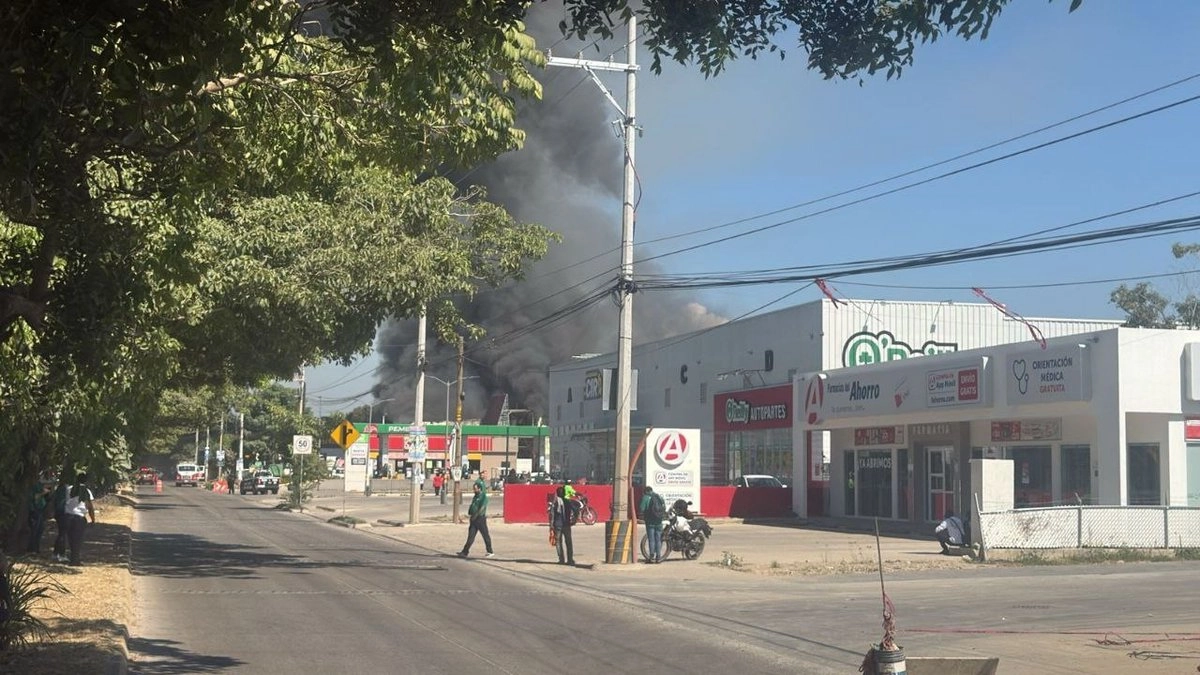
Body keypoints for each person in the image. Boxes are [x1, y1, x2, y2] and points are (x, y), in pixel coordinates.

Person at [65, 472, 96, 566]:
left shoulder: (69, 489)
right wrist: (93, 519)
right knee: (77, 539)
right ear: (86, 481)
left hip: (68, 516)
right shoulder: (86, 491)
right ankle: (75, 560)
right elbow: (90, 507)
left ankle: (72, 558)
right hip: (79, 518)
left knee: (71, 538)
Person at [458, 479, 494, 559]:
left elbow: (482, 507)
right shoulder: (475, 496)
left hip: (480, 519)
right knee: (471, 536)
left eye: (475, 488)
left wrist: (476, 515)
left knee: (485, 535)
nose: (474, 490)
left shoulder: (483, 496)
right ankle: (465, 552)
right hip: (473, 519)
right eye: (474, 488)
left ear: (479, 489)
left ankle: (490, 551)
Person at [548, 485, 575, 565]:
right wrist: (573, 520)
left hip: (558, 524)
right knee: (568, 542)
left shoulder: (555, 502)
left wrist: (551, 525)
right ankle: (570, 560)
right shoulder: (568, 501)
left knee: (558, 542)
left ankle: (561, 559)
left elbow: (552, 514)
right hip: (567, 524)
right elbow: (575, 511)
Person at [27, 473, 53, 554]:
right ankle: (32, 549)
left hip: (41, 509)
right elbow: (35, 497)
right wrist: (44, 493)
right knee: (35, 529)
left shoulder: (39, 485)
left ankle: (36, 548)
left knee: (40, 530)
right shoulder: (33, 486)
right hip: (35, 509)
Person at [639, 486, 666, 564]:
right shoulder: (659, 497)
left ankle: (651, 557)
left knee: (651, 539)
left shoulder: (646, 497)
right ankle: (658, 557)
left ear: (645, 491)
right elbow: (664, 507)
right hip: (659, 522)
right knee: (658, 539)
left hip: (650, 522)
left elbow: (642, 508)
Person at [51, 476, 70, 562]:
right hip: (63, 513)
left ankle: (56, 553)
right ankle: (61, 554)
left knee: (61, 534)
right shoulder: (66, 489)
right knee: (63, 534)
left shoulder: (59, 489)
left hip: (58, 513)